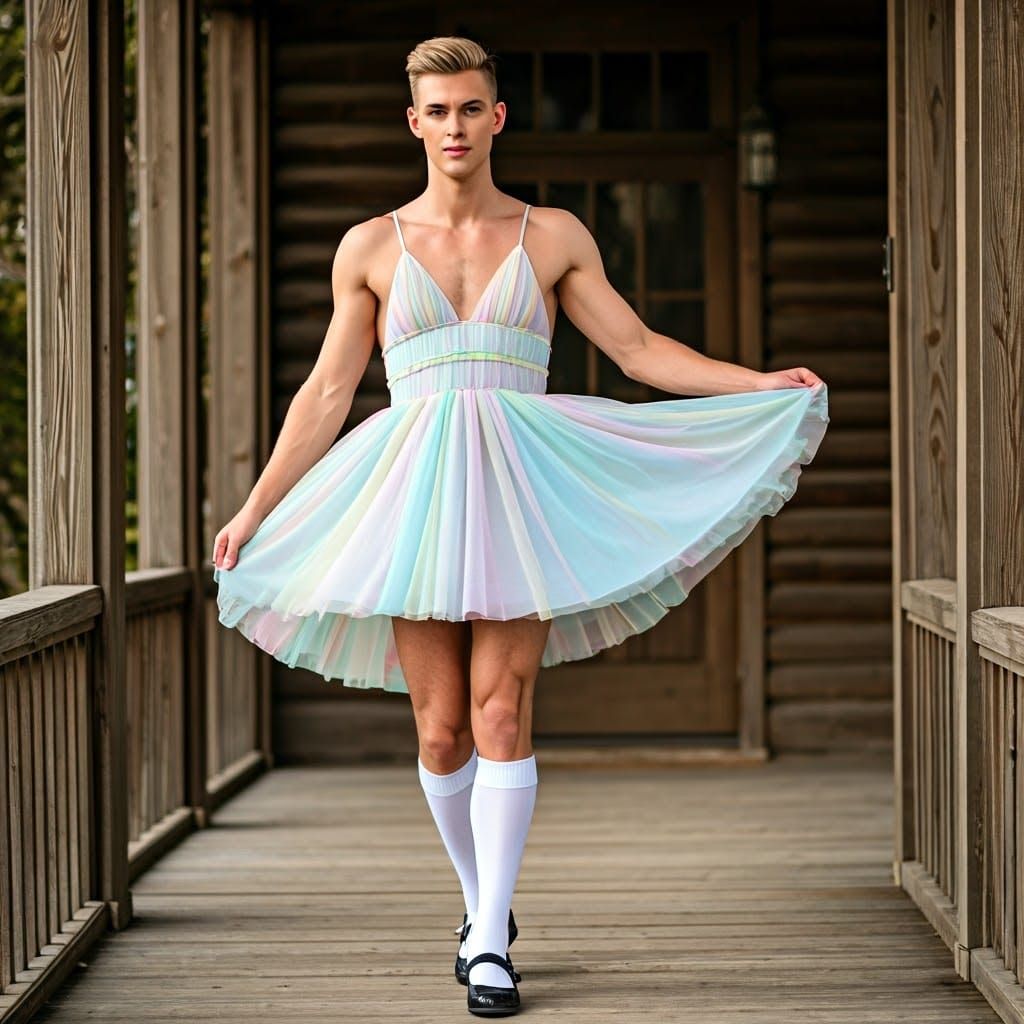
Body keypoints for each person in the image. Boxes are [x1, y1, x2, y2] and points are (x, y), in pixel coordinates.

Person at [212, 35, 828, 1018]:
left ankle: (492, 935)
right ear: (412, 122)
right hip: (409, 497)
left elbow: (634, 348)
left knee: (502, 711)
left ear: (496, 118)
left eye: (470, 108)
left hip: (517, 493)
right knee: (441, 726)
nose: (454, 127)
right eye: (436, 111)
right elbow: (327, 392)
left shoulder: (551, 235)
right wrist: (255, 507)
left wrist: (754, 382)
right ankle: (476, 901)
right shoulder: (370, 247)